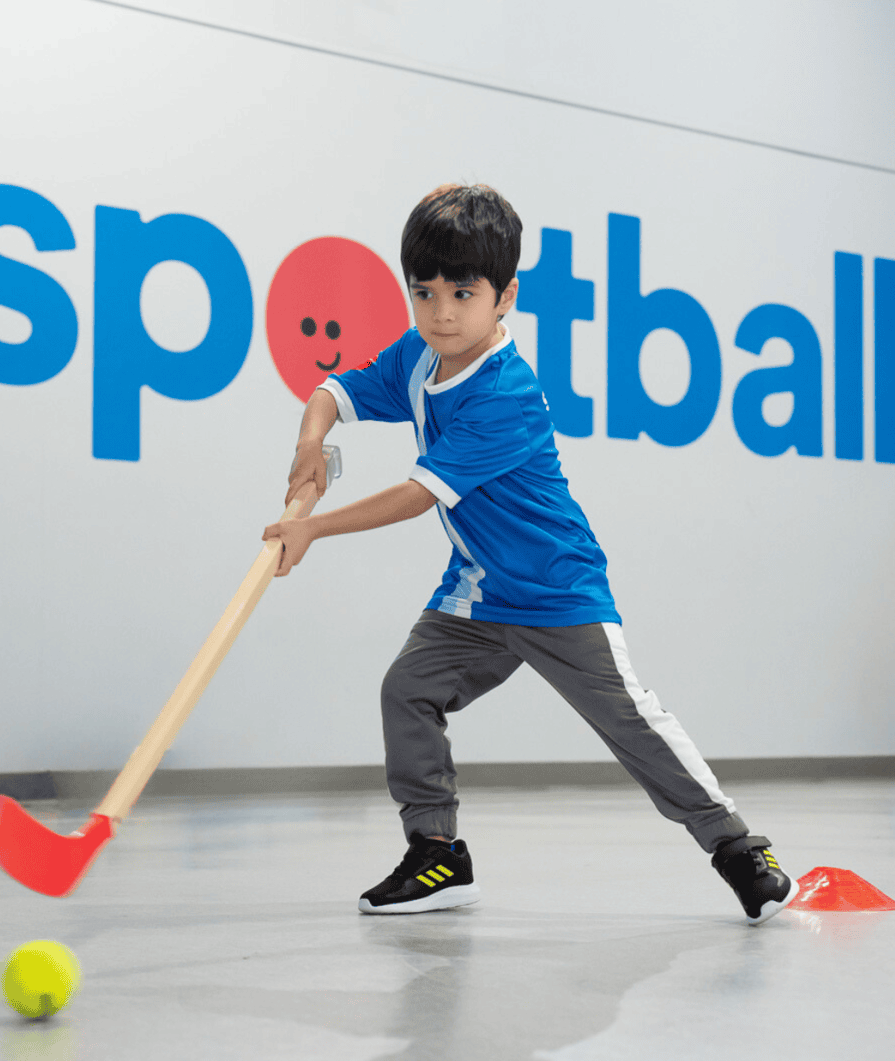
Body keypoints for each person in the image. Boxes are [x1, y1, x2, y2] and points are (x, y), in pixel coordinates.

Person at [262, 184, 796, 926]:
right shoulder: (421, 354)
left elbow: (420, 495)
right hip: (478, 594)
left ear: (504, 295)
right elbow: (336, 388)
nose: (441, 311)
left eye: (462, 292)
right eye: (423, 292)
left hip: (554, 590)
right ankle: (437, 855)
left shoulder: (505, 392)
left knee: (630, 723)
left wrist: (312, 529)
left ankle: (739, 847)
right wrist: (310, 443)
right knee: (406, 691)